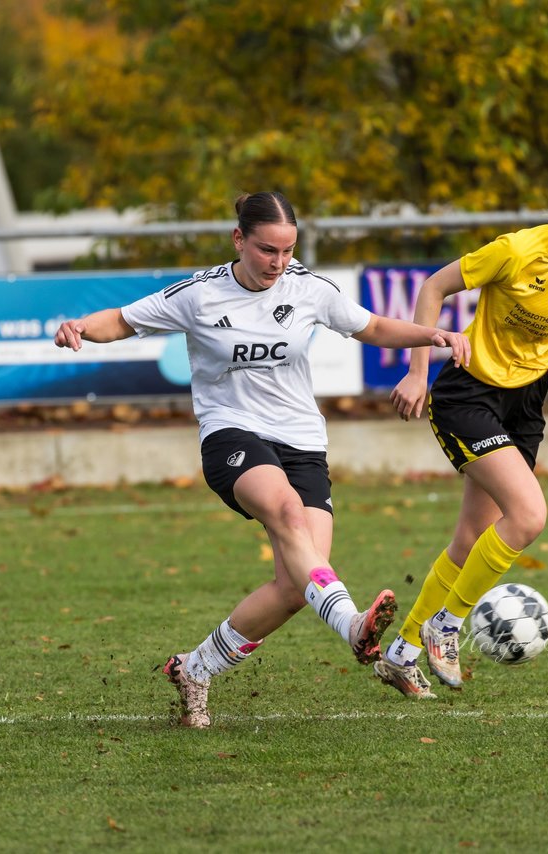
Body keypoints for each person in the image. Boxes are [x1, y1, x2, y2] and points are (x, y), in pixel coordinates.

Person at [53, 191, 470, 728]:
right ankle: (353, 626)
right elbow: (123, 319)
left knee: (298, 586)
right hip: (231, 436)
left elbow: (371, 327)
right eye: (267, 250)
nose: (278, 262)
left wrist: (431, 334)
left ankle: (194, 668)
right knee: (289, 515)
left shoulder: (309, 289)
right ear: (238, 240)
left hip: (302, 442)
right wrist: (80, 328)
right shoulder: (200, 296)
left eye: (287, 250)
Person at [374, 142, 548, 698]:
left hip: (525, 400)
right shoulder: (515, 251)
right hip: (469, 392)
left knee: (471, 540)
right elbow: (432, 288)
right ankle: (447, 626)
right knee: (529, 514)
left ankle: (403, 652)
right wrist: (418, 372)